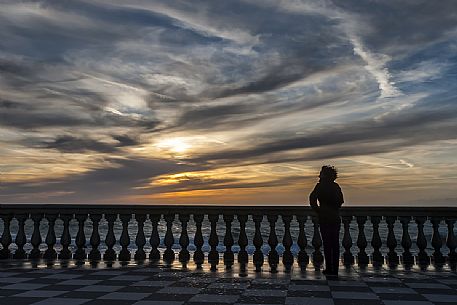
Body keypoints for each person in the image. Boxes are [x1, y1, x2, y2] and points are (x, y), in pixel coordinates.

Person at [309, 165, 344, 277]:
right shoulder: (336, 186)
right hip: (335, 217)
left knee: (327, 244)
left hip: (324, 217)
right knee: (335, 244)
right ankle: (335, 269)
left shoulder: (320, 186)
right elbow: (341, 201)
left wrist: (318, 210)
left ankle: (329, 268)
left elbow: (312, 198)